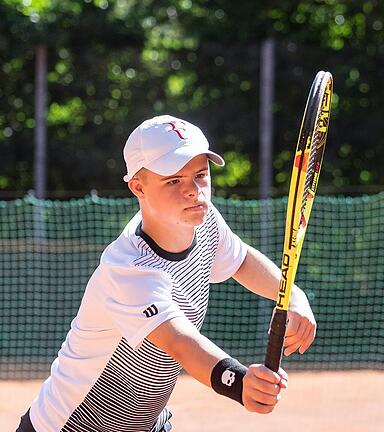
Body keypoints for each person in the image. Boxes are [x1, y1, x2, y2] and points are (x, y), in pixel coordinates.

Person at [17, 115, 317, 432]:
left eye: (200, 175)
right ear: (138, 187)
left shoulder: (205, 222)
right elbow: (179, 342)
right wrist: (239, 382)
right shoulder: (129, 268)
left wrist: (294, 295)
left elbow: (241, 260)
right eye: (174, 180)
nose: (193, 191)